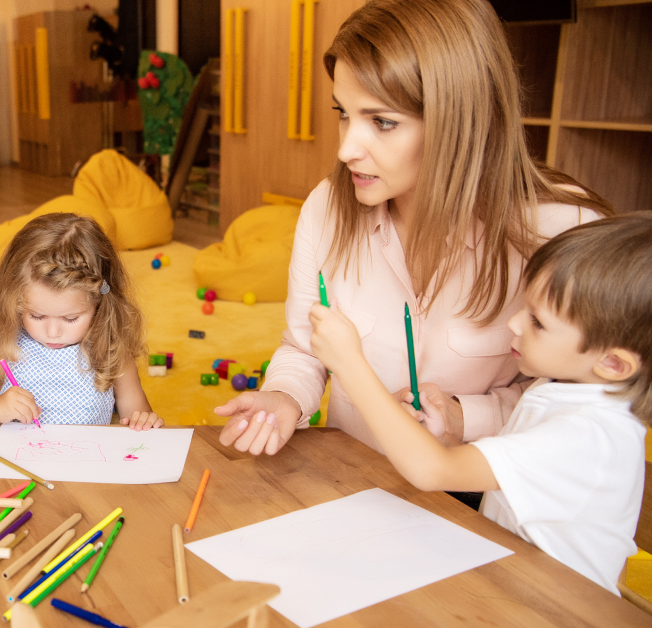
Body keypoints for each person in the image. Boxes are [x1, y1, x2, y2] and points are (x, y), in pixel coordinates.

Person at [217, 0, 612, 459]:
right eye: (343, 112)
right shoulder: (326, 207)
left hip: (482, 498)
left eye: (382, 122)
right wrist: (285, 396)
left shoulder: (564, 230)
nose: (346, 149)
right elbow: (303, 350)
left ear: (461, 122)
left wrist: (470, 416)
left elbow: (581, 404)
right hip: (353, 478)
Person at [308, 213, 652, 594]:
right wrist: (449, 443)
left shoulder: (589, 436)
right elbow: (509, 486)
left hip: (555, 609)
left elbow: (430, 472)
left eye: (538, 322)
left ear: (614, 363)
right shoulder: (561, 390)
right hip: (511, 585)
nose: (515, 323)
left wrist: (350, 365)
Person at [0, 213, 163, 430]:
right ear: (14, 301)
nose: (52, 332)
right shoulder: (6, 348)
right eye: (36, 316)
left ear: (100, 303)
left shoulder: (112, 351)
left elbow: (137, 420)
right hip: (18, 471)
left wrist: (144, 421)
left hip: (87, 473)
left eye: (70, 318)